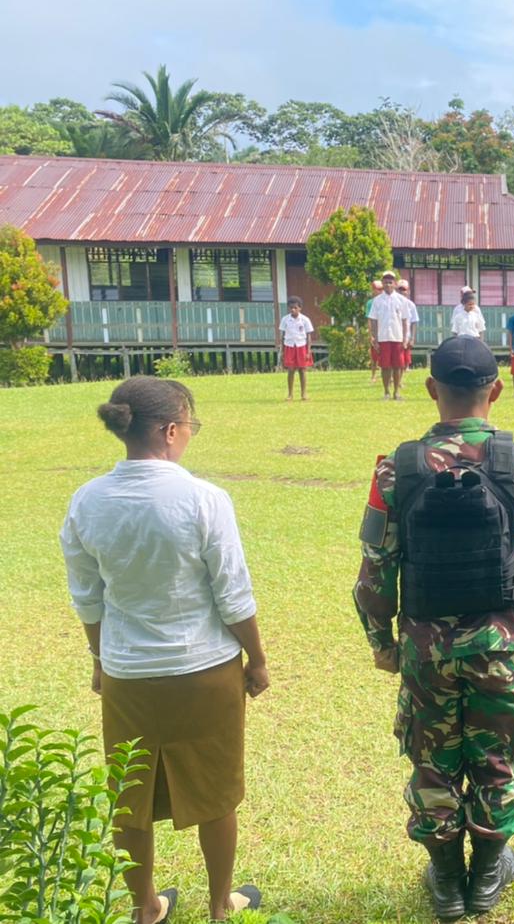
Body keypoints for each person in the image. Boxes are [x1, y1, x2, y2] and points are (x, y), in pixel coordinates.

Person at [353, 337, 514, 918]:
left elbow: (375, 569)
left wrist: (381, 642)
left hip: (425, 648)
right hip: (501, 645)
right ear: (495, 391)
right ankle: (488, 875)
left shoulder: (395, 468)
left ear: (431, 389)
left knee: (433, 760)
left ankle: (448, 882)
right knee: (497, 757)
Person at [61, 377, 269, 923]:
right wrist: (259, 659)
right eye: (190, 427)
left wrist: (102, 660)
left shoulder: (87, 501)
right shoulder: (203, 499)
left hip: (129, 674)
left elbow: (88, 597)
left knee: (130, 798)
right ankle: (221, 905)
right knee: (217, 792)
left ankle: (145, 907)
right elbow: (233, 593)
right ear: (172, 430)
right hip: (204, 669)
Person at [370, 271, 412, 400]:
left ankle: (396, 392)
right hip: (383, 337)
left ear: (394, 284)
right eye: (386, 282)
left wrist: (405, 338)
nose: (388, 284)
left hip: (397, 337)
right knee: (385, 366)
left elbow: (405, 320)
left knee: (398, 365)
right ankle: (386, 391)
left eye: (390, 282)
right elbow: (373, 320)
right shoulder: (377, 301)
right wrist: (375, 338)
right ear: (382, 283)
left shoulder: (402, 300)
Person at [278, 296, 314, 401]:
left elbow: (308, 336)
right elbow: (282, 336)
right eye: (291, 308)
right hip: (289, 346)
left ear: (300, 308)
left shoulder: (305, 320)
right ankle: (290, 394)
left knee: (302, 370)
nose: (293, 310)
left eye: (295, 308)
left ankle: (303, 394)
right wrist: (282, 350)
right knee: (291, 370)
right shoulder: (285, 319)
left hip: (301, 346)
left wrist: (308, 351)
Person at [398, 279, 420, 370]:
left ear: (408, 291)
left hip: (406, 335)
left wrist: (412, 338)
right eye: (400, 289)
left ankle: (406, 368)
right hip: (395, 334)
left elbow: (414, 322)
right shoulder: (394, 302)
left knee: (406, 356)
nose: (402, 292)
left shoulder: (411, 305)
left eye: (404, 289)